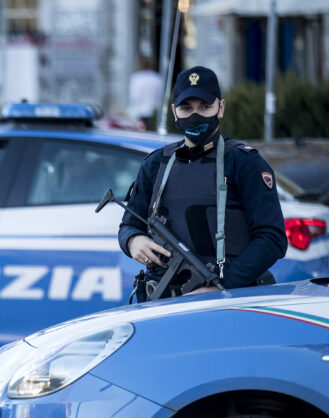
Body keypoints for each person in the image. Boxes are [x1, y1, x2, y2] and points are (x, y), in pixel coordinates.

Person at [119, 65, 287, 301]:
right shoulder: (156, 164)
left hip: (230, 304)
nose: (195, 115)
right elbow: (129, 226)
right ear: (174, 111)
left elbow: (272, 239)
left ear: (221, 108)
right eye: (186, 108)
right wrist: (133, 241)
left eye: (205, 107)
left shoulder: (244, 163)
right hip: (161, 303)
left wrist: (223, 285)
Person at [127, 57, 164, 131]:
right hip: (153, 112)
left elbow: (134, 96)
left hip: (140, 112)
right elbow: (160, 96)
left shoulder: (136, 78)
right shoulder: (157, 78)